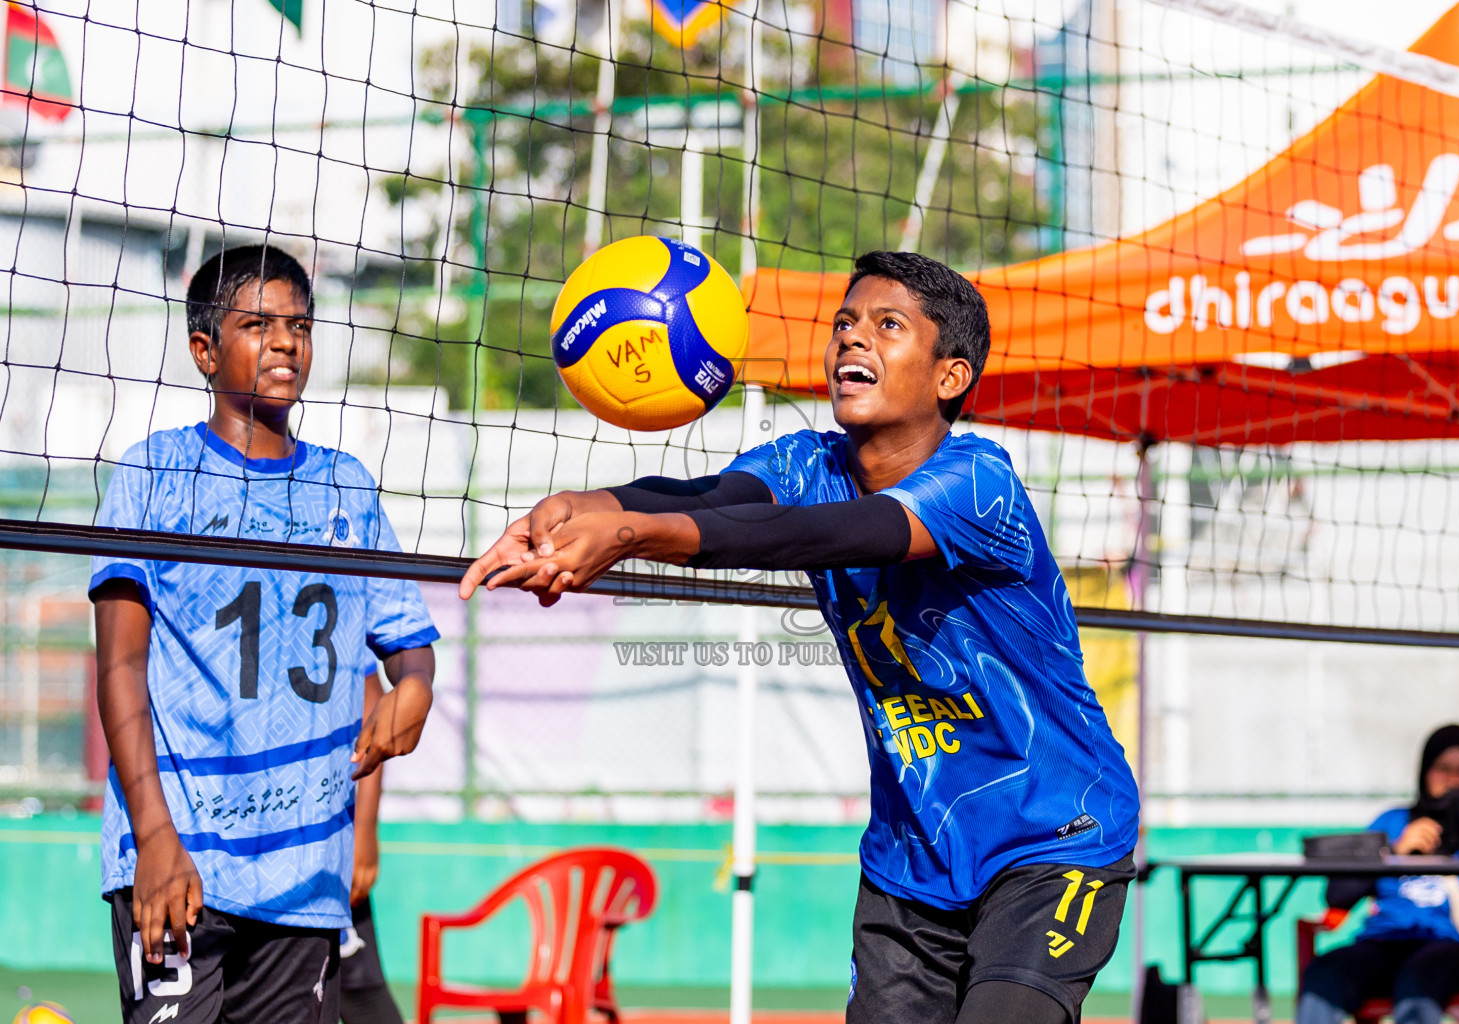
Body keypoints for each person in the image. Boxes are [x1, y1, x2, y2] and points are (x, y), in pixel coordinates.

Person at [459, 251, 1140, 1024]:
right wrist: (584, 503)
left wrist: (628, 532)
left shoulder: (978, 481)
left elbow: (822, 533)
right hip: (911, 860)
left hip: (1052, 838)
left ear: (950, 377)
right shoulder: (806, 460)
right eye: (844, 324)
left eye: (888, 326)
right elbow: (715, 497)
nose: (853, 340)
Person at [91, 245, 439, 1024]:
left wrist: (416, 683)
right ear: (205, 351)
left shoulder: (346, 485)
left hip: (302, 875)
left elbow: (405, 639)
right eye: (258, 324)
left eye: (300, 325)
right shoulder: (157, 474)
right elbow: (118, 666)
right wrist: (153, 835)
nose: (286, 341)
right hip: (180, 855)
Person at [1297, 724, 1459, 1024]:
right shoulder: (1392, 821)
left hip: (1451, 946)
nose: (1454, 779)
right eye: (1443, 768)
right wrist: (1393, 852)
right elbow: (1337, 895)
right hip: (1383, 941)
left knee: (1418, 983)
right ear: (1424, 772)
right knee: (1323, 976)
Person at [339, 670, 405, 1024]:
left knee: (361, 991)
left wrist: (362, 831)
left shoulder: (342, 617)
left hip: (321, 846)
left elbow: (370, 701)